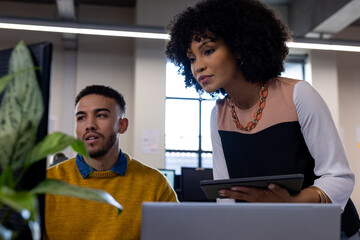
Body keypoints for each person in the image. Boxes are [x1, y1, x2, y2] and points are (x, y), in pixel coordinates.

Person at [165, 0, 360, 239]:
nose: (198, 67)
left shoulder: (298, 94)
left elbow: (338, 178)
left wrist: (293, 202)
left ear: (238, 48)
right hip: (271, 230)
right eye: (192, 58)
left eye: (208, 51)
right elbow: (225, 194)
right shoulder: (218, 114)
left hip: (329, 230)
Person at [45, 85, 178, 240]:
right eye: (81, 118)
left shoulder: (155, 184)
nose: (90, 125)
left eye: (101, 115)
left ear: (122, 125)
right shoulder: (49, 182)